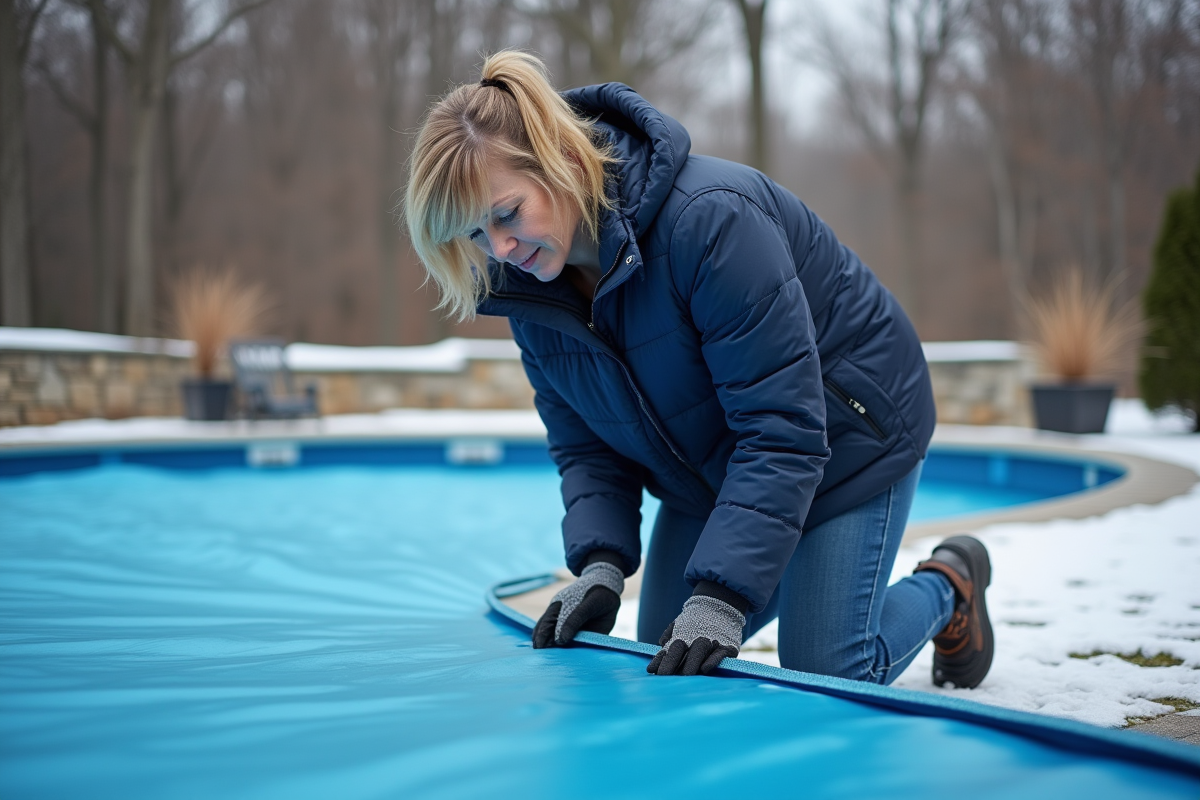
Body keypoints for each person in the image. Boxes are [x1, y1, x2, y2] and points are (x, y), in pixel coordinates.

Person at [404, 50, 993, 688]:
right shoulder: (529, 288)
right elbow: (586, 446)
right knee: (668, 658)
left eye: (507, 214)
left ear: (561, 162)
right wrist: (600, 564)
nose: (499, 249)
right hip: (714, 466)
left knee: (827, 665)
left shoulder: (711, 221)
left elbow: (783, 428)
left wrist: (721, 597)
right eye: (474, 234)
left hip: (849, 434)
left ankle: (949, 582)